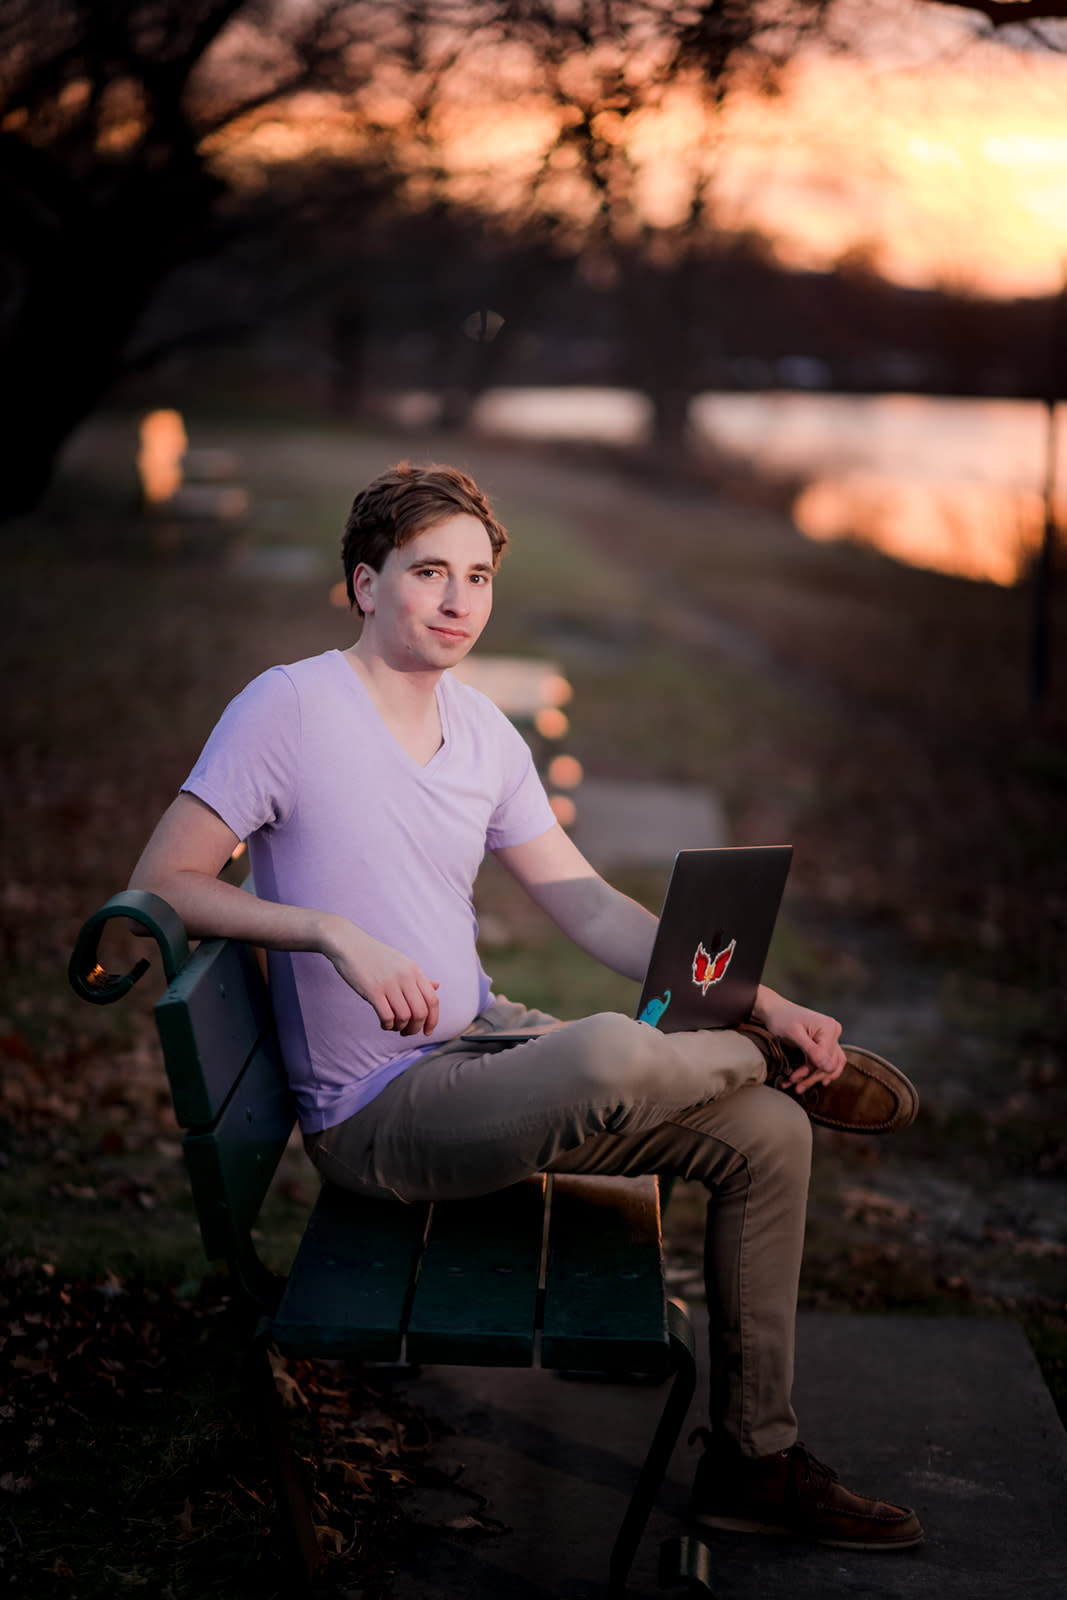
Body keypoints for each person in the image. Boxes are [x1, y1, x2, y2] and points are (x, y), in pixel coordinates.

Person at [130, 461, 923, 1550]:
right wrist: (327, 929)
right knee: (606, 1055)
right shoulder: (291, 706)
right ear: (365, 583)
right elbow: (164, 880)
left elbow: (588, 905)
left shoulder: (486, 731)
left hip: (486, 1047)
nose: (457, 600)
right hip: (381, 1113)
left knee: (772, 1134)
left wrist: (769, 993)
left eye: (476, 577)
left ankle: (753, 1458)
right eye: (426, 573)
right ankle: (747, 1046)